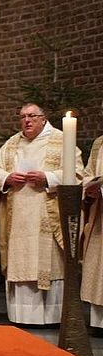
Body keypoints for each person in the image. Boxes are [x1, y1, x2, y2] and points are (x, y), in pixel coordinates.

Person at [0, 103, 83, 325]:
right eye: (22, 117)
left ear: (43, 118)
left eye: (32, 116)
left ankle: (51, 317)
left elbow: (77, 173)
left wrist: (48, 178)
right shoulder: (12, 144)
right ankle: (20, 316)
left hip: (46, 215)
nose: (26, 121)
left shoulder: (62, 141)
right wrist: (7, 178)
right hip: (18, 218)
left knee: (49, 262)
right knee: (20, 262)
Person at [82, 105, 103, 333]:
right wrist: (89, 188)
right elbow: (88, 172)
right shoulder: (99, 143)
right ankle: (99, 322)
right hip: (100, 216)